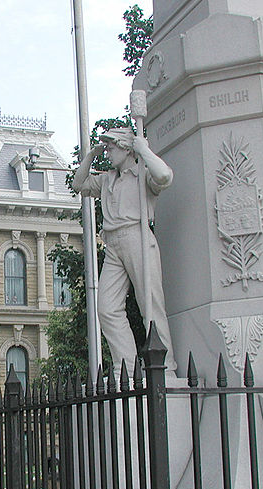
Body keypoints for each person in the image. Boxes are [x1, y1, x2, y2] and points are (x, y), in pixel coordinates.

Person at [72, 128, 176, 380]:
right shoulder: (107, 179)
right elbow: (79, 184)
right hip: (113, 244)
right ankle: (128, 368)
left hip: (136, 237)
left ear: (126, 147)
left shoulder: (142, 173)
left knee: (150, 305)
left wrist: (144, 150)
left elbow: (165, 176)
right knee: (107, 308)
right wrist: (90, 156)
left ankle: (165, 366)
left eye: (110, 147)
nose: (107, 152)